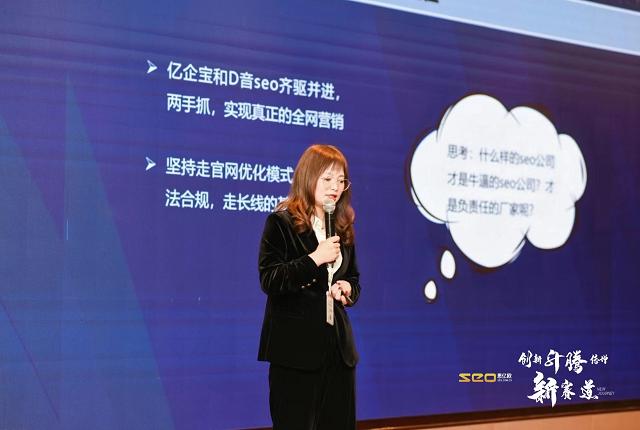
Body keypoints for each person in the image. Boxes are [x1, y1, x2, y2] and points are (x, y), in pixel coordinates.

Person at [258, 144, 361, 430]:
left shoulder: (342, 225)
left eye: (341, 180)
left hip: (338, 351)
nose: (335, 187)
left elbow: (354, 278)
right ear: (308, 177)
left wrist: (347, 289)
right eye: (327, 179)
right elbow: (270, 279)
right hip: (295, 351)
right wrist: (315, 258)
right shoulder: (281, 223)